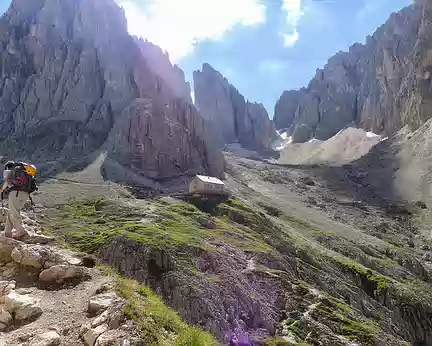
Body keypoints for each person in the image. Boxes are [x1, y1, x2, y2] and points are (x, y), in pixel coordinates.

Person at [0, 161, 30, 239]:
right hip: (26, 194)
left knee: (14, 213)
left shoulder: (8, 171)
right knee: (12, 211)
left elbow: (6, 181)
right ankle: (7, 232)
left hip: (15, 193)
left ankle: (20, 231)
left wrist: (2, 189)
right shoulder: (23, 172)